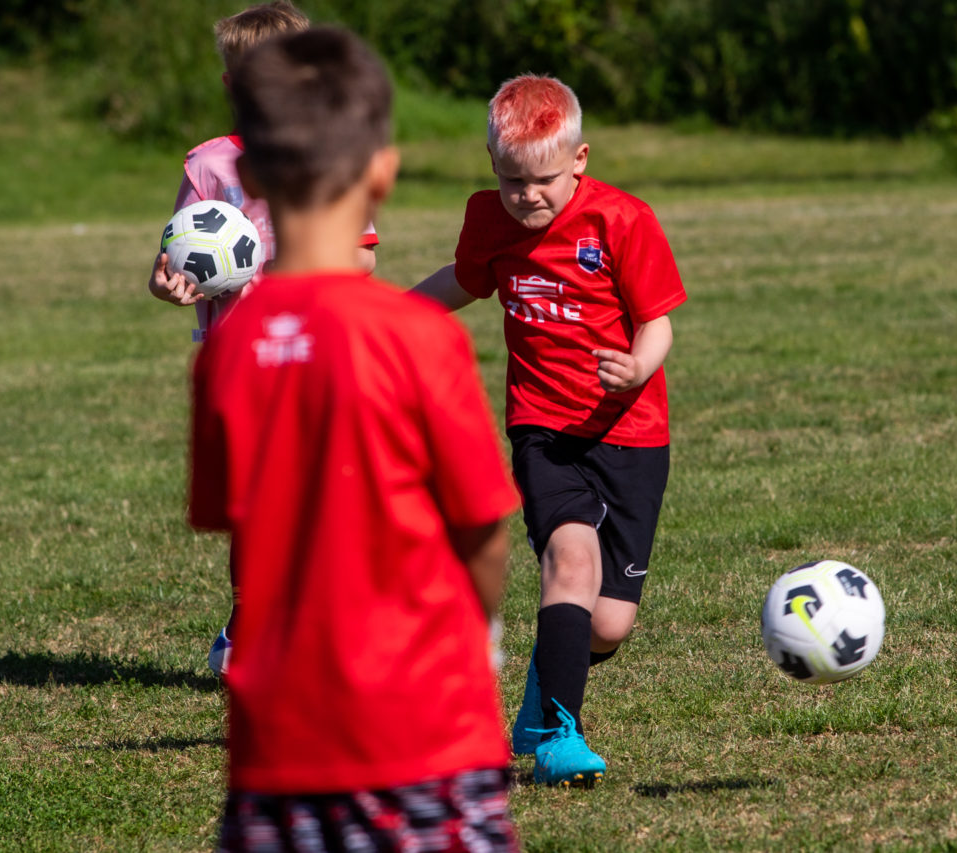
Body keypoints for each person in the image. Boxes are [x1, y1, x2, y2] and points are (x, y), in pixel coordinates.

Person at [188, 27, 520, 852]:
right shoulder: (418, 337)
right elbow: (482, 524)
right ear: (384, 173)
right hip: (428, 738)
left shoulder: (227, 349)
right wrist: (480, 632)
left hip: (278, 755)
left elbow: (240, 520)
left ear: (251, 179)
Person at [413, 74, 687, 788]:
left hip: (632, 432)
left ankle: (541, 700)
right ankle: (561, 737)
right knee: (570, 560)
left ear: (580, 160)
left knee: (610, 624)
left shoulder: (622, 221)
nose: (525, 197)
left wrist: (637, 366)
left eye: (541, 181)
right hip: (544, 429)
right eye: (509, 181)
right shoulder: (489, 220)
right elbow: (463, 281)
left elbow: (657, 319)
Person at [146, 1, 379, 677]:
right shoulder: (210, 165)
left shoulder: (331, 159)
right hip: (239, 361)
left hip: (319, 355)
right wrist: (169, 287)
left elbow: (362, 259)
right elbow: (175, 261)